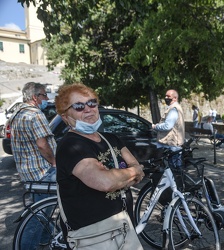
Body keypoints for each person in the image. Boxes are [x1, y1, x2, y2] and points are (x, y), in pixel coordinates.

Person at [54, 83, 144, 247]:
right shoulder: (70, 146)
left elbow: (139, 170)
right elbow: (106, 182)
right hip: (95, 235)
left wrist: (118, 176)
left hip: (124, 225)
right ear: (65, 116)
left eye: (91, 102)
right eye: (79, 106)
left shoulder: (111, 138)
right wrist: (126, 175)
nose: (88, 109)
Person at [9, 82, 57, 249]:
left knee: (41, 208)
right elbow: (42, 144)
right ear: (36, 97)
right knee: (40, 214)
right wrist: (54, 162)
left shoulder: (17, 114)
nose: (47, 98)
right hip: (43, 171)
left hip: (28, 172)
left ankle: (45, 236)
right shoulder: (35, 115)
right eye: (44, 95)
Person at [152, 89, 185, 168]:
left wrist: (155, 126)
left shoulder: (173, 109)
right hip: (172, 144)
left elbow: (167, 126)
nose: (166, 97)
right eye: (165, 96)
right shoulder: (174, 108)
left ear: (175, 98)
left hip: (171, 144)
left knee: (173, 170)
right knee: (173, 171)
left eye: (168, 96)